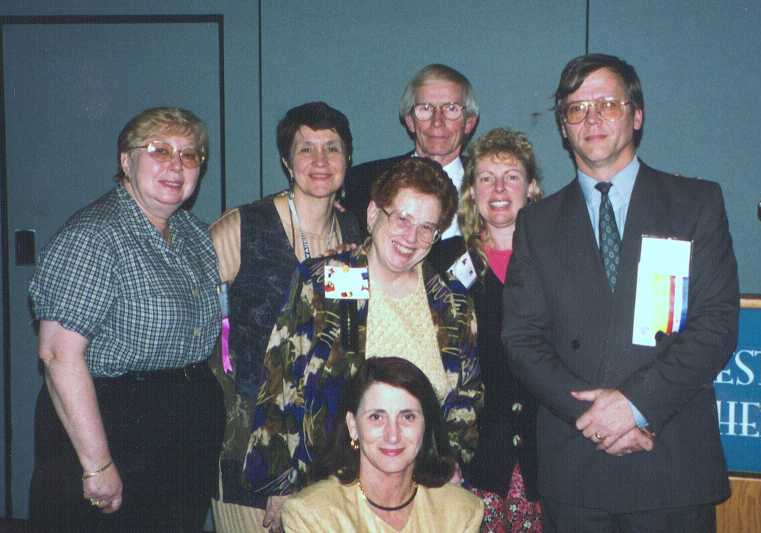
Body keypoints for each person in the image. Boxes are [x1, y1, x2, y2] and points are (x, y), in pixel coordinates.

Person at [502, 53, 740, 532]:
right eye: (576, 108)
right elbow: (522, 341)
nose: (591, 118)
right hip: (577, 467)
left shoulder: (695, 204)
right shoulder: (536, 224)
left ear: (637, 115)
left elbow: (715, 326)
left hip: (670, 460)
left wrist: (634, 407)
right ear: (563, 127)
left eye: (608, 104)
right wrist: (596, 418)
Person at [245, 157, 482, 529]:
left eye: (426, 228)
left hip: (417, 494)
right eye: (401, 219)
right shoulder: (332, 281)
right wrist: (278, 482)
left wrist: (451, 463)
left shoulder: (451, 303)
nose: (411, 238)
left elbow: (467, 395)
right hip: (328, 490)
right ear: (373, 214)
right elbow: (281, 379)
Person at [28, 107, 224, 531]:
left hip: (180, 430)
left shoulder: (194, 234)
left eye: (190, 154)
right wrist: (97, 465)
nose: (176, 165)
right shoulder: (94, 236)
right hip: (112, 427)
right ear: (126, 161)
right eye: (159, 150)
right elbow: (58, 356)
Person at [208, 101, 362, 532]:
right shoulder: (243, 227)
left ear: (348, 159)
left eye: (332, 148)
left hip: (322, 444)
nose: (320, 160)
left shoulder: (352, 234)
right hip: (249, 441)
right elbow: (194, 326)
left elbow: (349, 341)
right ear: (286, 162)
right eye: (305, 148)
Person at [432, 127, 543, 532]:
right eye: (486, 178)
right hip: (472, 457)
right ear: (471, 192)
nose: (498, 188)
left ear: (530, 188)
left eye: (511, 176)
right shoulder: (444, 262)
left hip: (544, 454)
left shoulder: (555, 259)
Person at [281, 357, 483, 532]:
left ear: (426, 425)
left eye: (408, 417)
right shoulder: (310, 514)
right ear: (353, 426)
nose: (392, 435)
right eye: (376, 417)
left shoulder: (461, 512)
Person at [344, 63, 479, 238]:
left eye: (451, 108)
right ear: (410, 121)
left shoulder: (493, 187)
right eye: (426, 108)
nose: (437, 121)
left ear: (469, 123)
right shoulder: (362, 182)